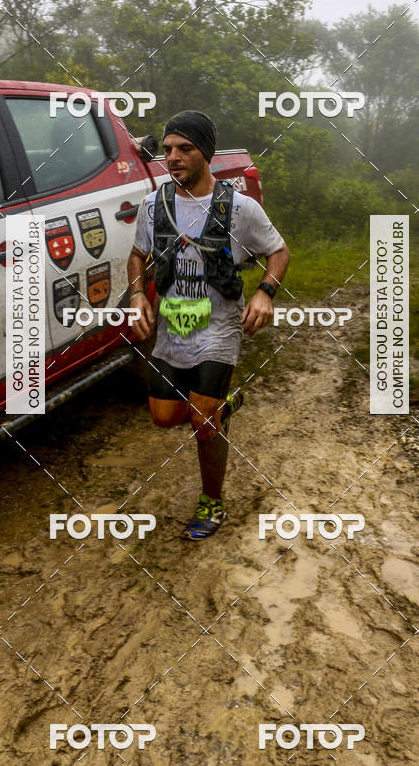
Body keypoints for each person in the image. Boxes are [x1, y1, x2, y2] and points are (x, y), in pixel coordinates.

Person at [127, 110, 289, 540]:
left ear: (206, 154)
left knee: (202, 423)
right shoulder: (154, 204)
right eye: (167, 150)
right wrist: (138, 293)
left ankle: (212, 502)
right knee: (164, 417)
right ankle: (224, 403)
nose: (173, 157)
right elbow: (137, 255)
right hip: (174, 328)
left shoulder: (240, 208)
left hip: (220, 327)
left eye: (185, 148)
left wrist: (264, 293)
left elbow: (279, 252)